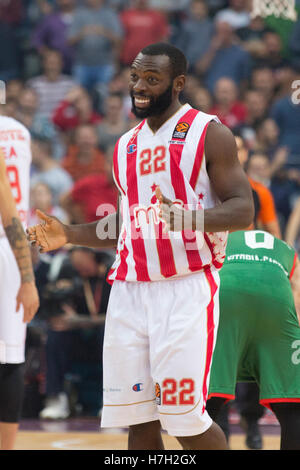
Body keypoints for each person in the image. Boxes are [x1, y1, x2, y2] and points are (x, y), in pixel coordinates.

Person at [27, 42, 254, 450]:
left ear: (178, 83)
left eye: (152, 79)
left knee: (185, 421)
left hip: (185, 289)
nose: (140, 87)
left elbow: (243, 209)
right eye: (135, 77)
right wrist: (70, 233)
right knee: (138, 422)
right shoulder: (125, 146)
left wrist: (190, 218)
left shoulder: (209, 133)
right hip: (129, 291)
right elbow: (128, 224)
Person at [207, 229, 300, 450]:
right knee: (291, 405)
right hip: (276, 300)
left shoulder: (217, 237)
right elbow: (297, 294)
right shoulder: (285, 248)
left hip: (227, 296)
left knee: (211, 400)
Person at [0, 115, 40, 450]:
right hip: (8, 252)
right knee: (9, 354)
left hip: (5, 246)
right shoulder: (18, 131)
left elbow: (9, 211)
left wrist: (27, 278)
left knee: (10, 358)